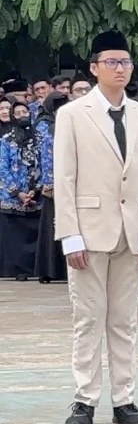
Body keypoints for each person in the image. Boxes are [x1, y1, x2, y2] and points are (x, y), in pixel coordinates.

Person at [54, 30, 138, 424]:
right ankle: (84, 399)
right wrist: (70, 235)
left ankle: (124, 398)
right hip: (89, 228)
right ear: (95, 68)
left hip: (132, 230)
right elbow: (64, 178)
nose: (120, 69)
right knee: (88, 318)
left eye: (126, 62)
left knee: (124, 320)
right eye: (112, 62)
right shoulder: (72, 114)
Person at [0, 99, 40, 279]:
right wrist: (17, 192)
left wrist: (35, 189)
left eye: (25, 112)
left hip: (35, 197)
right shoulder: (6, 141)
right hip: (12, 198)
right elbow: (2, 168)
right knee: (14, 238)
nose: (22, 116)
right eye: (18, 113)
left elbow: (44, 166)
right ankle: (16, 271)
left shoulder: (38, 139)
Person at [35, 91, 70, 283]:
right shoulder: (45, 125)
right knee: (51, 227)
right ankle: (49, 270)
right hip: (53, 185)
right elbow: (47, 157)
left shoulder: (65, 124)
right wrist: (51, 184)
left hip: (69, 182)